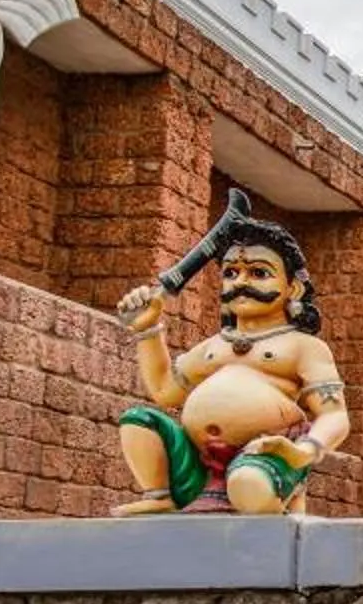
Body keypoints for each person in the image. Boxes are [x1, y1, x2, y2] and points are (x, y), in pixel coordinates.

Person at [112, 208, 350, 515]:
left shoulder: (303, 347)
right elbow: (164, 391)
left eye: (259, 273)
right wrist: (147, 329)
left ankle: (273, 496)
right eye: (230, 273)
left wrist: (303, 451)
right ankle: (161, 496)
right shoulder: (213, 348)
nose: (240, 282)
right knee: (138, 421)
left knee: (247, 485)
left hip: (265, 457)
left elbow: (335, 416)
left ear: (293, 288)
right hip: (199, 465)